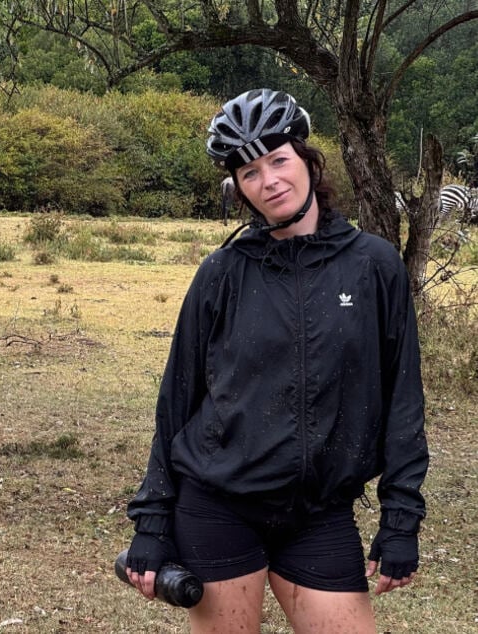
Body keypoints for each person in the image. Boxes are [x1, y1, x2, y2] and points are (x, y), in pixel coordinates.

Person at [123, 88, 429, 633]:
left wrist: (401, 518)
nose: (269, 181)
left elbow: (403, 397)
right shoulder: (222, 272)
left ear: (308, 160)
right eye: (249, 173)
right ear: (239, 189)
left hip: (319, 513)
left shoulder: (374, 265)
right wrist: (152, 520)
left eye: (279, 160)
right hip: (217, 506)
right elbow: (178, 399)